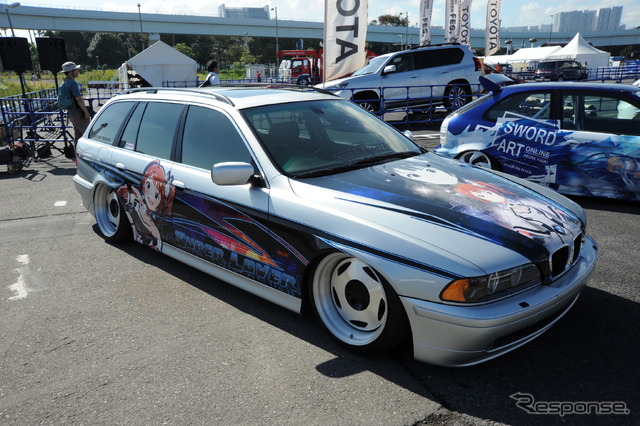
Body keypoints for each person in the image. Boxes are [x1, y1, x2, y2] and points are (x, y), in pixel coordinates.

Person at [59, 61, 91, 149]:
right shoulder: (72, 83)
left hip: (72, 113)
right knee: (88, 133)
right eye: (76, 69)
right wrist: (86, 112)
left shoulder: (65, 83)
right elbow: (78, 99)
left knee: (78, 135)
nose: (77, 71)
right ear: (71, 72)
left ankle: (77, 155)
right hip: (78, 113)